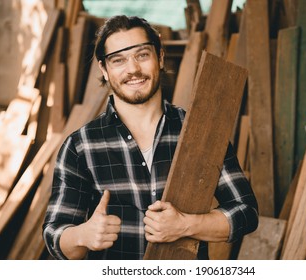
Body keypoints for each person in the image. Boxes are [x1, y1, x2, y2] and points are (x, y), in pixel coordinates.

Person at [43, 15, 258, 260]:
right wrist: (83, 235)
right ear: (104, 69)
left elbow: (246, 212)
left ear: (160, 57)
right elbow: (54, 234)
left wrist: (186, 225)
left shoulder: (201, 133)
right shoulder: (81, 146)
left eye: (142, 55)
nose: (133, 69)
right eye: (118, 60)